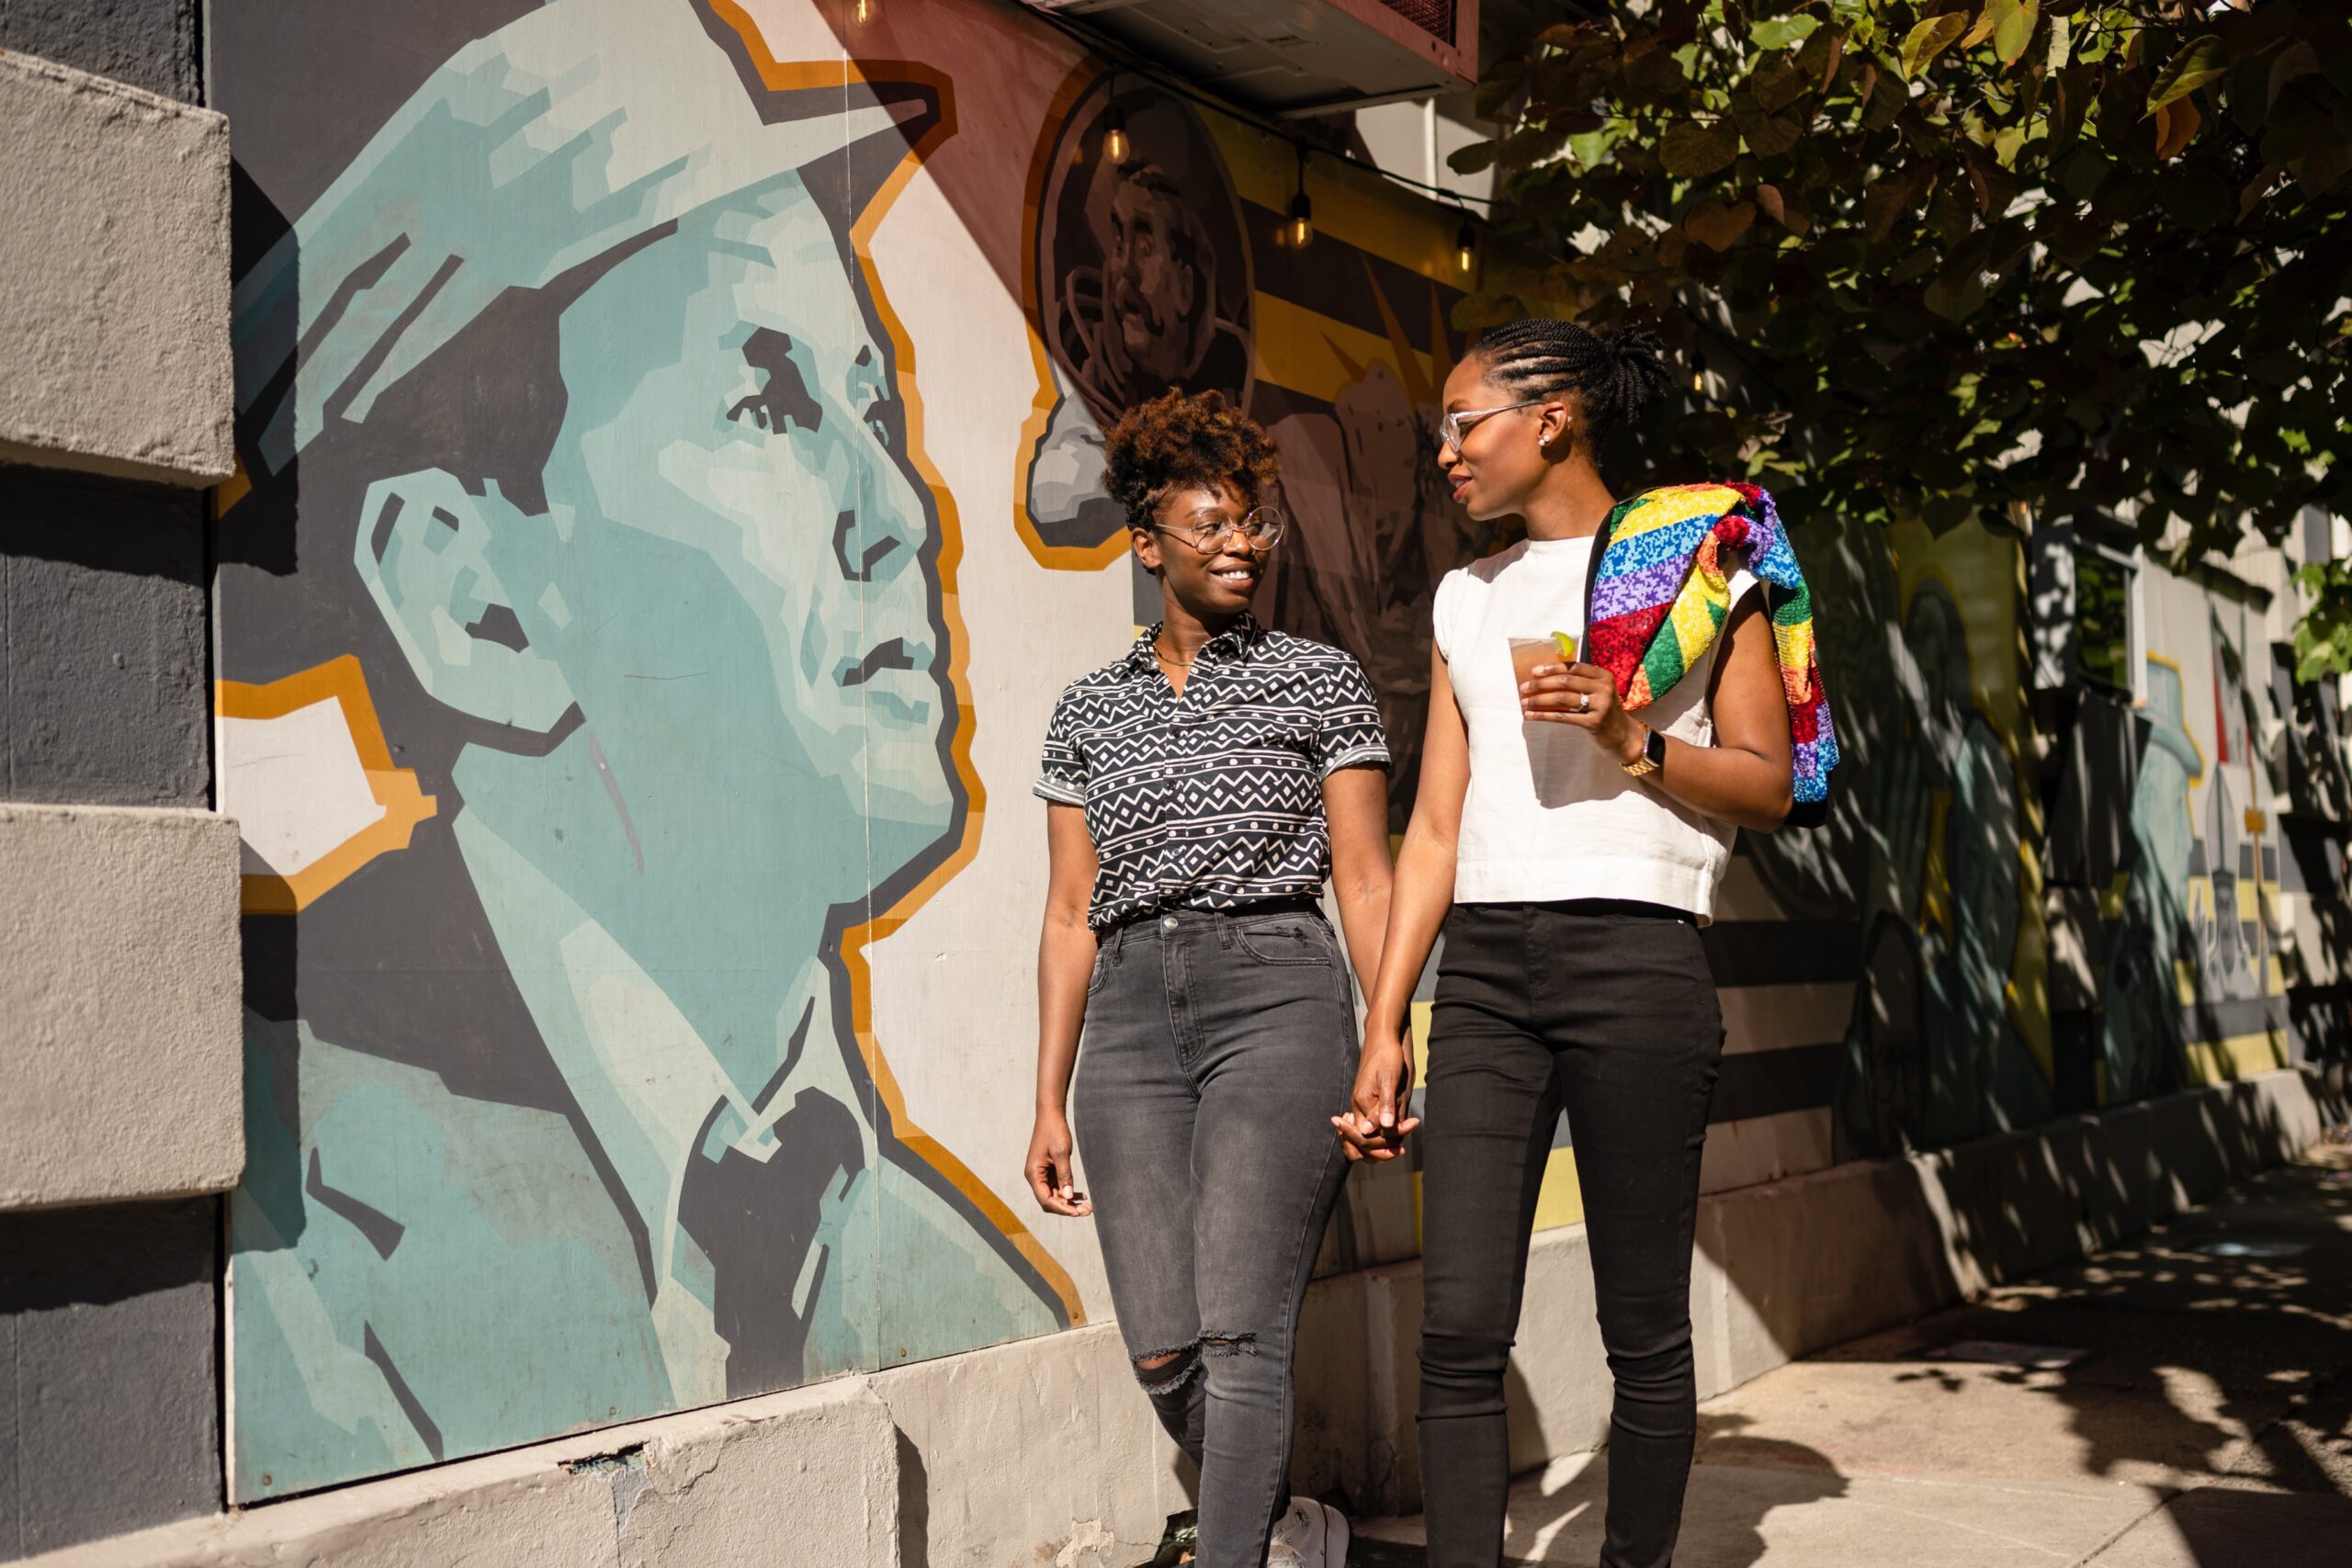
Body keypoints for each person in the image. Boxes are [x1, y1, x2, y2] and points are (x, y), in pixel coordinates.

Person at [213, 0, 1062, 1495]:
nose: (901, 504)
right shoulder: (295, 1256)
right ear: (469, 596)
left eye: (873, 404)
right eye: (773, 399)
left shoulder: (940, 1263)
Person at [1337, 319, 1836, 1568]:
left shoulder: (1701, 565)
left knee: (1642, 1328)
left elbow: (1772, 782)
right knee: (1458, 1324)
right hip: (1492, 973)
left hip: (1639, 960)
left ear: (1550, 417)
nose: (1444, 450)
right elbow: (1437, 827)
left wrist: (1632, 738)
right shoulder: (1467, 595)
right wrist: (1387, 1019)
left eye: (1464, 423)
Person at [1026, 389, 1395, 1568]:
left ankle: (1232, 1553)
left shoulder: (1318, 680)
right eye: (1209, 525)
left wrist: (1387, 1034)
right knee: (1160, 1342)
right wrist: (1046, 1096)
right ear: (1146, 544)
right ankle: (1288, 1525)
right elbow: (1070, 911)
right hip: (1130, 1015)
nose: (1239, 545)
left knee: (1243, 1334)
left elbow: (1366, 877)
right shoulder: (1086, 710)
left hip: (1276, 990)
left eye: (1253, 525)